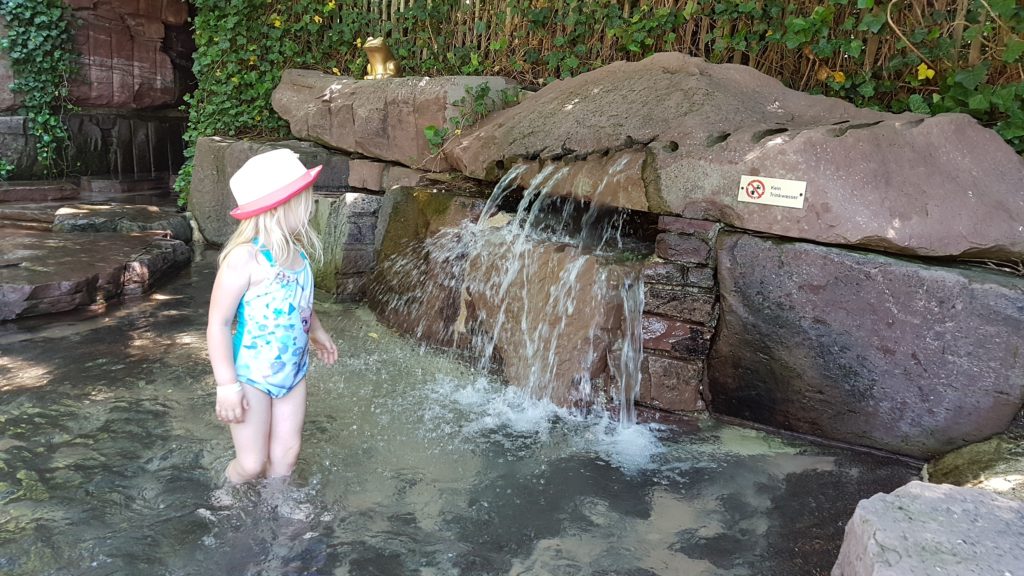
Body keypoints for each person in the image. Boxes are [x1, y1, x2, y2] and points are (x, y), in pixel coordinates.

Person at [207, 148, 338, 484]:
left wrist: (317, 331)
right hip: (251, 376)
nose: (311, 205)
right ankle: (227, 493)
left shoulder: (297, 254)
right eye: (305, 198)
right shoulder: (243, 259)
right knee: (252, 463)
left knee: (286, 457)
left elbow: (300, 302)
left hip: (293, 373)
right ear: (280, 205)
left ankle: (277, 504)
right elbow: (218, 324)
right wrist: (226, 385)